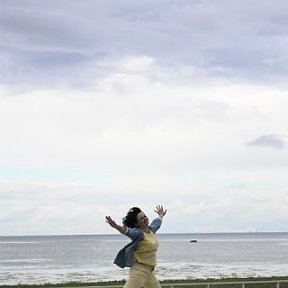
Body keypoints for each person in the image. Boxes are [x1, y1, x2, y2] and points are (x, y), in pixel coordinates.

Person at [105, 205, 167, 288]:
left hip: (149, 271)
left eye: (145, 216)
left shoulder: (151, 230)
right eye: (141, 218)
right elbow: (127, 231)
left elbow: (157, 222)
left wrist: (161, 215)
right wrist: (116, 226)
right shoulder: (138, 233)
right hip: (139, 271)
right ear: (136, 223)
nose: (145, 218)